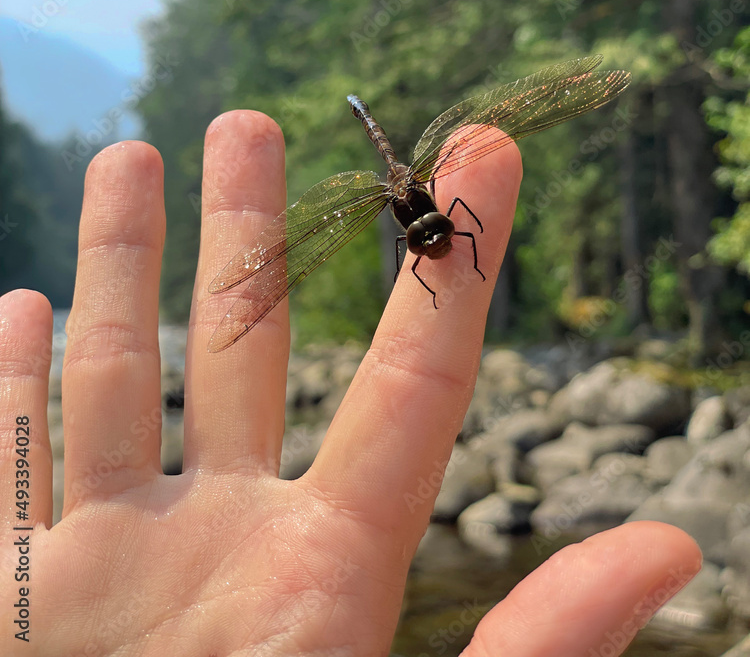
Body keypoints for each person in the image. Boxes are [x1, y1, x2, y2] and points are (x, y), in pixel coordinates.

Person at [0, 110, 701, 656]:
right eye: (421, 234)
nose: (432, 239)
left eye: (436, 230)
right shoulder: (404, 229)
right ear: (407, 228)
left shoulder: (446, 216)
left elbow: (458, 227)